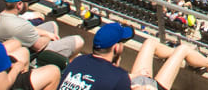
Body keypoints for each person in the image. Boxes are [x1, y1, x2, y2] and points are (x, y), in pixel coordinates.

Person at [57, 23, 197, 90]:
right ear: (116, 48)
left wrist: (132, 76)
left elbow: (98, 81)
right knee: (182, 49)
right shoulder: (118, 77)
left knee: (150, 42)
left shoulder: (77, 62)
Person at [0, 0, 83, 60]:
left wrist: (46, 33)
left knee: (52, 25)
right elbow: (39, 46)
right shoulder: (21, 25)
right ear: (19, 4)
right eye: (29, 0)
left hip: (8, 50)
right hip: (22, 57)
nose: (29, 4)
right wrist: (48, 37)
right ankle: (63, 66)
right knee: (78, 40)